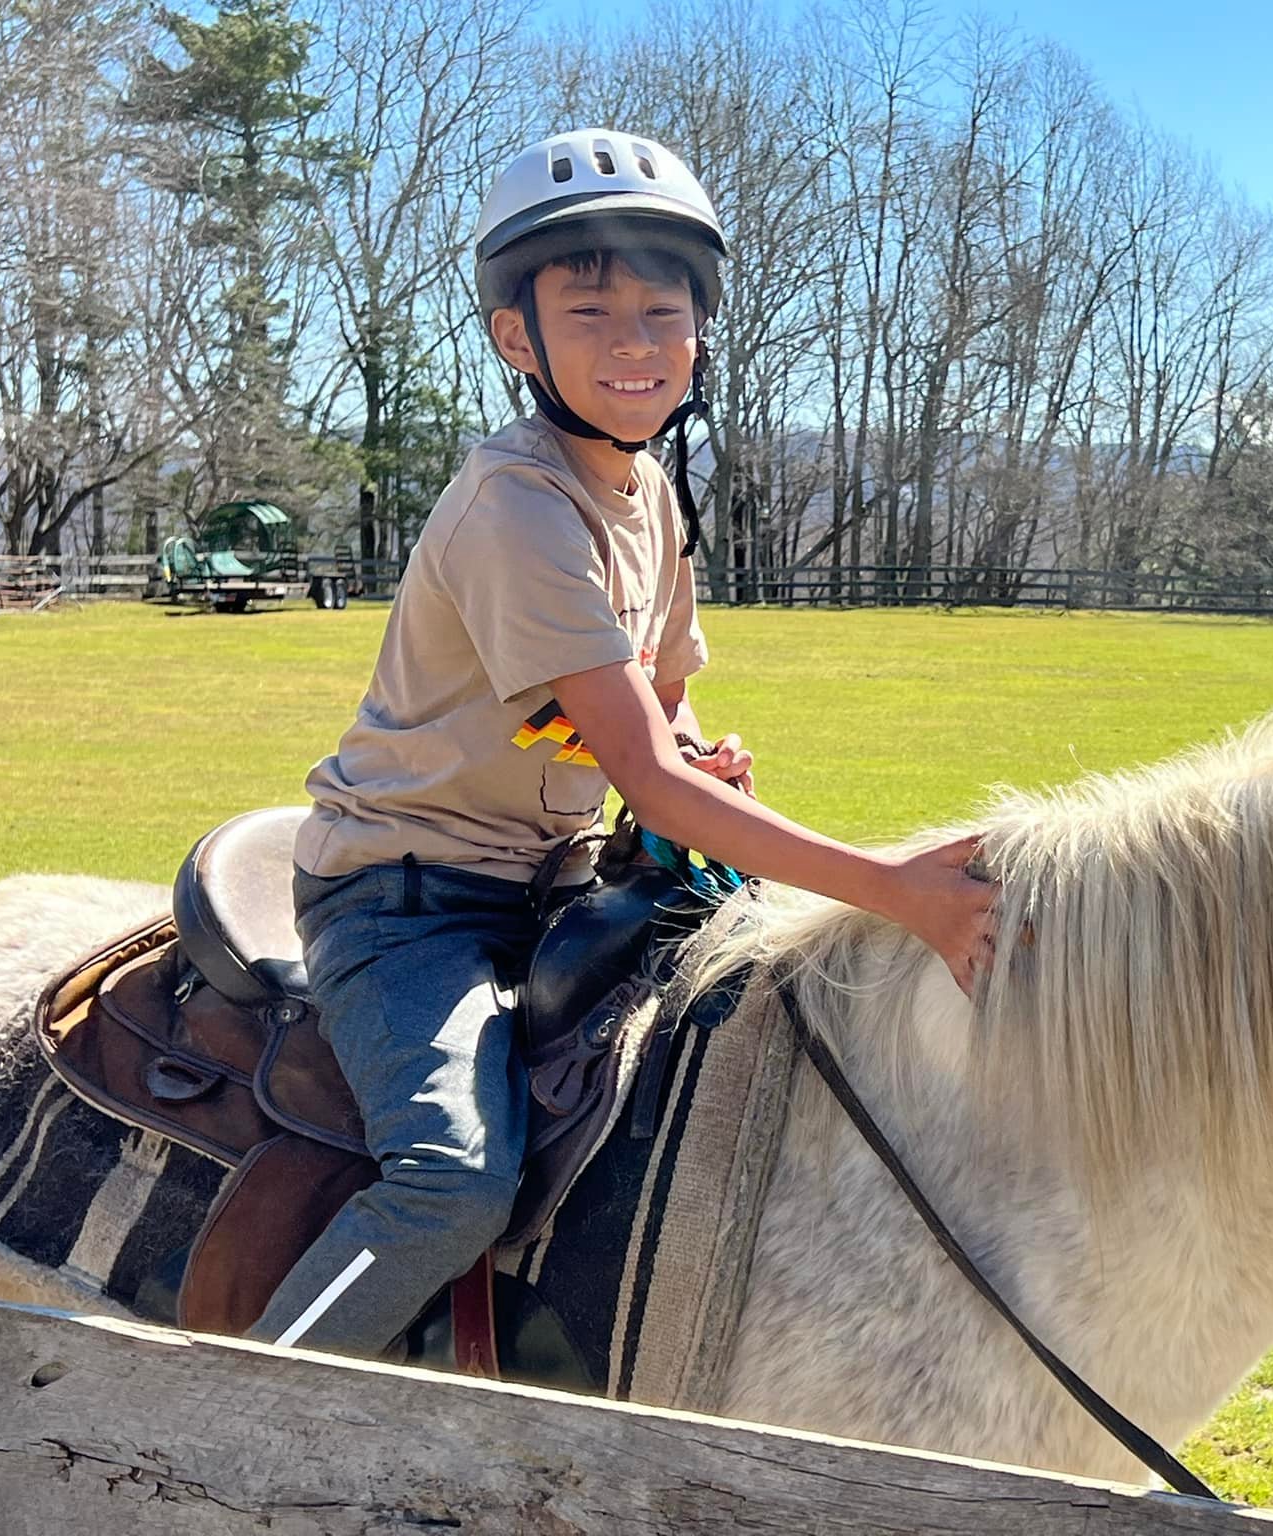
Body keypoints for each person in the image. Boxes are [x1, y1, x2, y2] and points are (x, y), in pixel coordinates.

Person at [250, 128, 996, 1358]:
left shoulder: (651, 492)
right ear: (515, 338)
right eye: (588, 311)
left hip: (547, 880)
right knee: (452, 1182)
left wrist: (699, 761)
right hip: (406, 901)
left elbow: (662, 718)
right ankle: (250, 1394)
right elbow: (637, 772)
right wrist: (892, 889)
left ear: (700, 333)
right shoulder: (516, 503)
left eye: (663, 310)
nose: (635, 343)